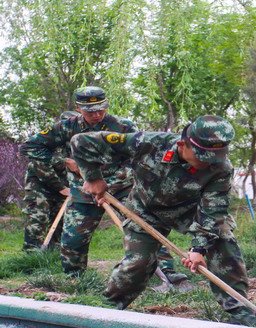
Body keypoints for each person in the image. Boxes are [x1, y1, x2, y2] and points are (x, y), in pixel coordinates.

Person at [71, 115, 256, 326]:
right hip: (144, 210)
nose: (207, 164)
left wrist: (198, 248)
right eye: (201, 157)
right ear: (182, 145)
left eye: (213, 158)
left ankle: (242, 311)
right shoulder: (147, 143)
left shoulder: (221, 168)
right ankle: (107, 309)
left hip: (189, 211)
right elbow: (81, 142)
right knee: (139, 262)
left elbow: (214, 210)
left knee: (223, 239)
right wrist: (93, 177)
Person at [20, 87, 184, 283]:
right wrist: (64, 161)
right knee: (73, 240)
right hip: (84, 189)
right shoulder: (66, 127)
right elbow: (30, 146)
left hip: (122, 188)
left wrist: (110, 183)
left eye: (101, 109)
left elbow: (138, 160)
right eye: (90, 111)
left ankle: (169, 273)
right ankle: (75, 280)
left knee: (145, 228)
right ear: (79, 108)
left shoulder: (122, 126)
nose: (97, 115)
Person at [21, 111, 77, 251]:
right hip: (39, 186)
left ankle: (54, 252)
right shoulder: (47, 141)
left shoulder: (75, 144)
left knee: (61, 220)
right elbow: (40, 166)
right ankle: (31, 255)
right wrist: (61, 188)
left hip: (64, 187)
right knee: (38, 217)